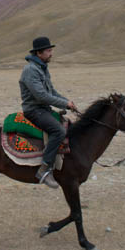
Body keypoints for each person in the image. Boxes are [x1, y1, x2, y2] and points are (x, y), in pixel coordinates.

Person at [19, 36, 77, 188]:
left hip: (44, 109)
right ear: (39, 53)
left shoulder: (42, 68)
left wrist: (68, 103)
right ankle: (44, 169)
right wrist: (65, 103)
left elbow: (51, 91)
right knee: (58, 131)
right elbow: (41, 96)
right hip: (34, 110)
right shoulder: (30, 70)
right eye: (48, 50)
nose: (51, 53)